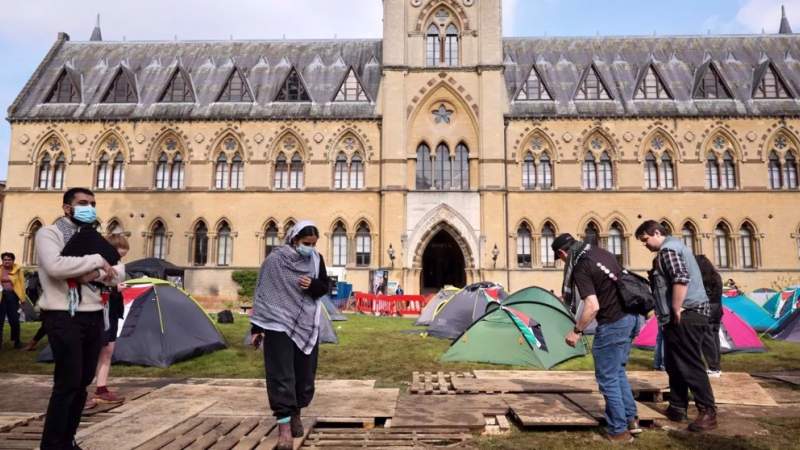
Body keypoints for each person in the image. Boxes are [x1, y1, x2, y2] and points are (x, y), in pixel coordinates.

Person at [37, 188, 124, 450]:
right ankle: (53, 445)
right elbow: (55, 267)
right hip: (64, 314)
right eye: (83, 203)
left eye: (93, 204)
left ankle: (67, 440)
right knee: (68, 382)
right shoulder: (49, 234)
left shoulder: (94, 237)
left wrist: (92, 274)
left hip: (93, 315)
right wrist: (97, 262)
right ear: (67, 208)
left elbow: (118, 273)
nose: (89, 207)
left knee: (83, 382)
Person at [250, 221, 329, 450]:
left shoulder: (316, 260)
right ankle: (284, 426)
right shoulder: (275, 260)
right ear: (294, 240)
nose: (311, 248)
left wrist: (312, 284)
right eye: (307, 244)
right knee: (281, 374)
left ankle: (296, 412)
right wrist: (257, 329)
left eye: (314, 244)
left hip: (305, 324)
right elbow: (263, 292)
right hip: (277, 324)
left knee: (305, 374)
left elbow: (324, 287)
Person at [553, 233, 640, 444]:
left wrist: (577, 331)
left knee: (607, 379)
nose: (563, 263)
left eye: (561, 259)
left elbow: (592, 306)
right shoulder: (601, 252)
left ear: (563, 253)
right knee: (618, 372)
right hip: (632, 317)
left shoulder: (582, 265)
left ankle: (618, 431)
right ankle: (631, 420)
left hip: (613, 322)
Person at [635, 220, 717, 432]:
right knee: (674, 363)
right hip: (685, 315)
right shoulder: (677, 248)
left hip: (687, 315)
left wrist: (676, 308)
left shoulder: (668, 250)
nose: (645, 245)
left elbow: (681, 278)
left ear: (656, 233)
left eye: (645, 240)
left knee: (690, 364)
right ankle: (677, 407)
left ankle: (708, 412)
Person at [88, 233, 130, 407]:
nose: (120, 259)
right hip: (97, 311)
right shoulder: (94, 265)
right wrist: (113, 289)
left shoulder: (117, 267)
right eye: (119, 255)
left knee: (108, 350)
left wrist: (116, 289)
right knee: (92, 350)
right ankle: (80, 392)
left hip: (111, 311)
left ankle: (101, 388)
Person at [696, 254, 723, 378]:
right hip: (718, 309)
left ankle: (713, 367)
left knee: (707, 339)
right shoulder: (717, 277)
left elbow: (705, 296)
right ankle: (716, 366)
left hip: (708, 309)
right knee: (715, 337)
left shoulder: (703, 278)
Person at [0, 252, 26, 349]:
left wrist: (22, 299)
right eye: (5, 259)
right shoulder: (0, 269)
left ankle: (17, 341)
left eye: (9, 259)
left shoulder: (18, 270)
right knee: (0, 320)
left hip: (13, 296)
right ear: (2, 261)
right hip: (1, 296)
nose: (7, 261)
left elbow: (22, 284)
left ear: (13, 261)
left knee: (14, 320)